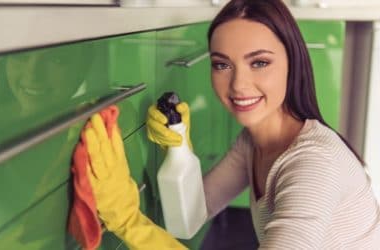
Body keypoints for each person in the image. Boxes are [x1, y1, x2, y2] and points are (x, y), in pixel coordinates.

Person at [81, 0, 380, 249]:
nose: (238, 84)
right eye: (222, 64)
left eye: (259, 62)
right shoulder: (253, 142)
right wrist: (179, 146)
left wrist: (129, 222)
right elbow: (188, 221)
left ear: (293, 62)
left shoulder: (313, 166)